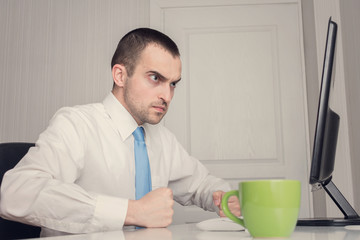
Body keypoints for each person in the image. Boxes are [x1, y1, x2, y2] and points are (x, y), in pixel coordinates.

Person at [0, 28, 240, 236]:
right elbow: (16, 193)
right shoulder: (76, 124)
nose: (167, 96)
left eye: (173, 84)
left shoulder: (163, 140)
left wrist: (225, 197)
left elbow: (201, 184)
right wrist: (131, 211)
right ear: (120, 75)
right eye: (155, 78)